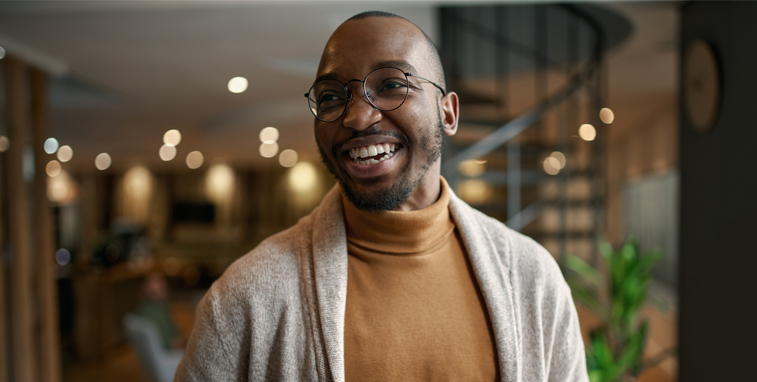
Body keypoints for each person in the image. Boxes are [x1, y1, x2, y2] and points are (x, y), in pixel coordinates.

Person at [175, 11, 587, 382]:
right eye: (333, 96)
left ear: (448, 113)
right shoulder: (246, 297)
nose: (357, 117)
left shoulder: (532, 278)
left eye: (391, 84)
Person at [135, 272, 187, 350]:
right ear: (144, 287)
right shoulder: (152, 312)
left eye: (162, 280)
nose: (162, 284)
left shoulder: (157, 307)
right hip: (171, 355)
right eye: (155, 281)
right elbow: (170, 344)